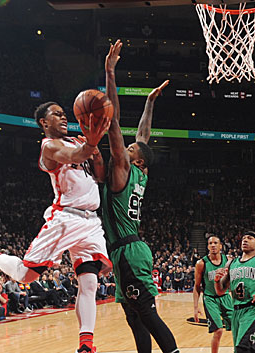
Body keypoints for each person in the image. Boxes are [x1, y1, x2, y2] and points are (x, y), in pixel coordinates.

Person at [0, 77, 112, 352]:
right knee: (26, 275)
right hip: (65, 218)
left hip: (91, 222)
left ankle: (86, 345)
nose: (64, 117)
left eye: (65, 114)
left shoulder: (79, 140)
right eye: (57, 114)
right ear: (44, 123)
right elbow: (76, 155)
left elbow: (99, 175)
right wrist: (91, 143)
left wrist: (97, 154)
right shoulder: (49, 146)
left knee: (89, 281)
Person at [100, 39, 178, 353]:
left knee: (146, 313)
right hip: (126, 250)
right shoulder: (139, 171)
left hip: (129, 252)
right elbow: (143, 135)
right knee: (134, 318)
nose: (127, 146)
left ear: (137, 160)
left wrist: (110, 73)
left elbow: (113, 121)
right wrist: (149, 101)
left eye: (130, 148)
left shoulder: (123, 167)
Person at [193, 235, 234, 353]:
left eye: (215, 243)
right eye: (210, 243)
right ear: (207, 247)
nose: (213, 245)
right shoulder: (201, 263)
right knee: (218, 330)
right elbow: (197, 287)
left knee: (237, 327)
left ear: (220, 246)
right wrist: (196, 308)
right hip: (210, 299)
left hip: (226, 297)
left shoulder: (228, 261)